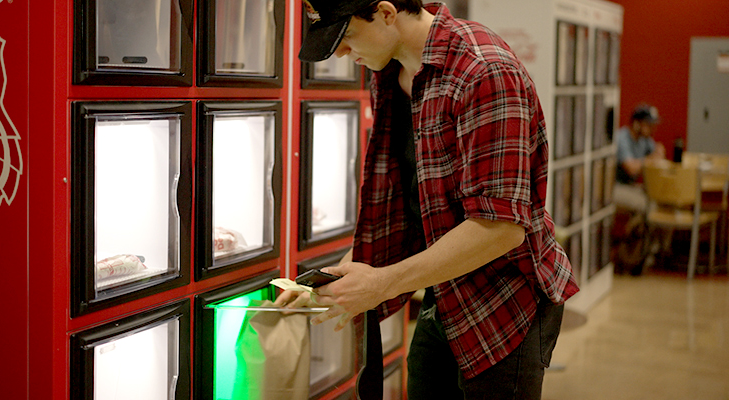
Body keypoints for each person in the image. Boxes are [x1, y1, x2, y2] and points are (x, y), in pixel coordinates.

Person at [275, 1, 579, 398]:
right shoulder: (391, 74)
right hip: (447, 291)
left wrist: (382, 283)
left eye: (346, 37)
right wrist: (335, 281)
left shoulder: (484, 71)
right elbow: (412, 203)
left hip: (506, 301)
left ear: (386, 13)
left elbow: (501, 229)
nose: (344, 54)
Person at [614, 104, 666, 212]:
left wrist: (659, 152)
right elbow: (631, 168)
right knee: (648, 206)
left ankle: (637, 227)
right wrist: (652, 159)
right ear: (636, 124)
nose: (653, 128)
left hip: (630, 186)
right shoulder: (622, 138)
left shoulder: (644, 139)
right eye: (648, 124)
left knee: (660, 200)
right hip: (615, 187)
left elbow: (657, 154)